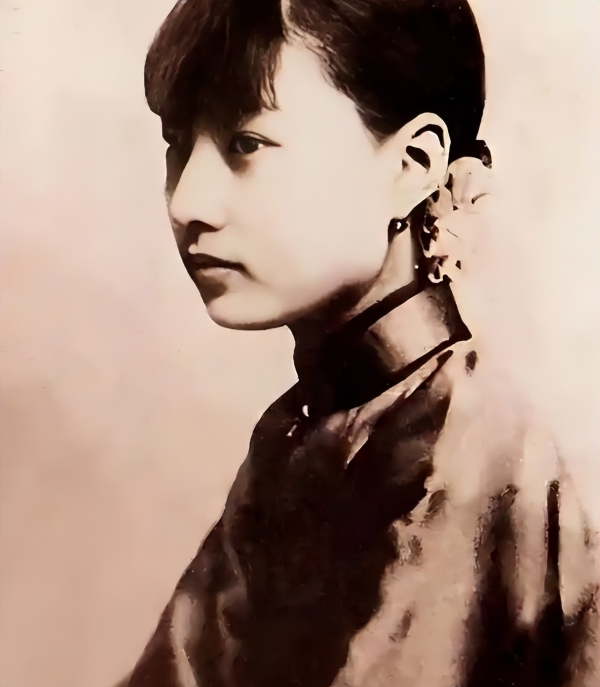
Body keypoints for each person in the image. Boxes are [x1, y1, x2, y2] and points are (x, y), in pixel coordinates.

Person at [118, 0, 598, 685]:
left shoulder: (468, 448)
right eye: (177, 145)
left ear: (412, 165)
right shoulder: (298, 434)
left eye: (245, 143)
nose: (186, 202)